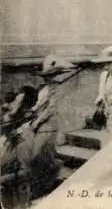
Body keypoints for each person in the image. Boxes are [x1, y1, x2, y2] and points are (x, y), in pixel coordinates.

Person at [29, 55, 76, 197]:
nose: (47, 78)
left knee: (38, 154)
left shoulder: (56, 88)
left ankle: (50, 180)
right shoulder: (44, 88)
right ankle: (43, 183)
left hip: (49, 125)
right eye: (45, 76)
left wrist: (37, 121)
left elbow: (50, 109)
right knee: (41, 154)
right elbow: (39, 105)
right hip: (39, 124)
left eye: (49, 75)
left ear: (54, 75)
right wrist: (32, 111)